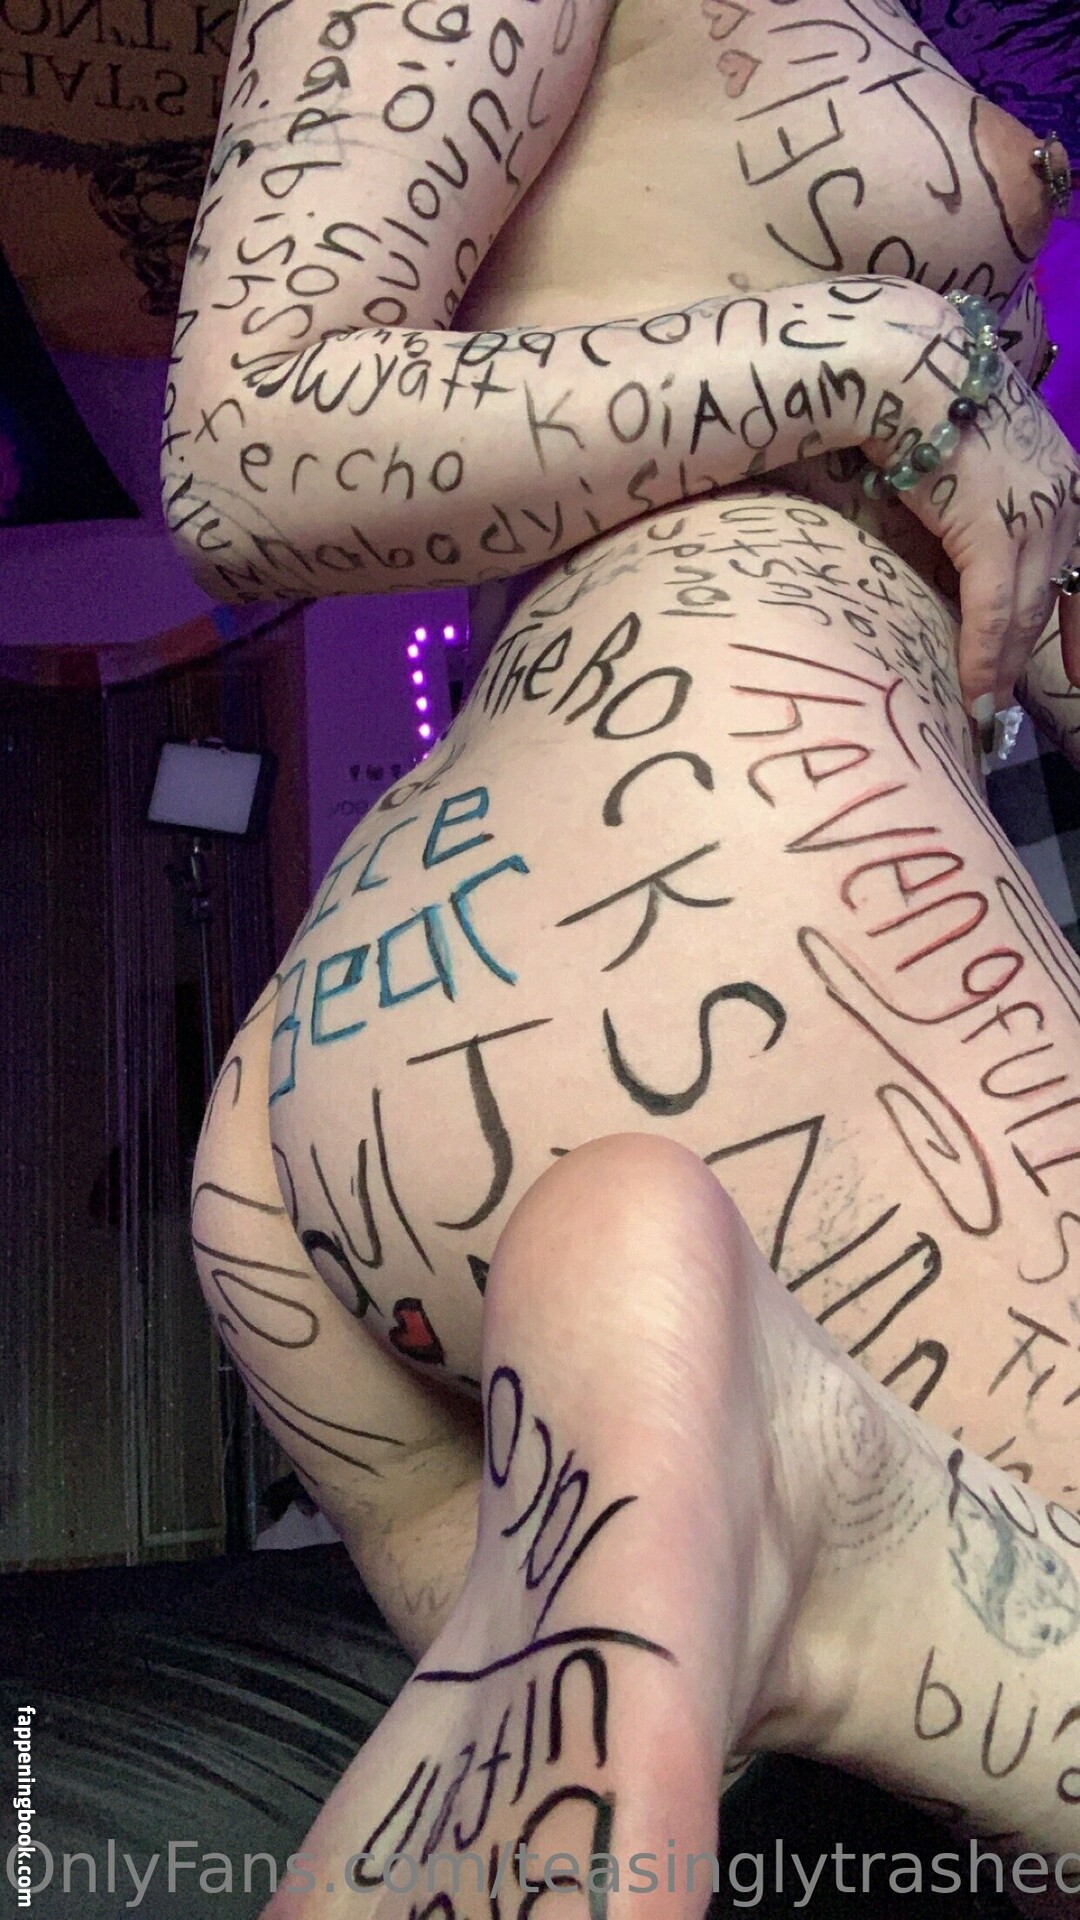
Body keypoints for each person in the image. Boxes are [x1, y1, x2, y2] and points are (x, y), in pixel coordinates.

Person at [167, 0, 1080, 1908]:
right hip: (721, 871)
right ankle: (838, 1517)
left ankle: (822, 1524)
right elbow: (252, 445)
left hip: (552, 985)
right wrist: (891, 353)